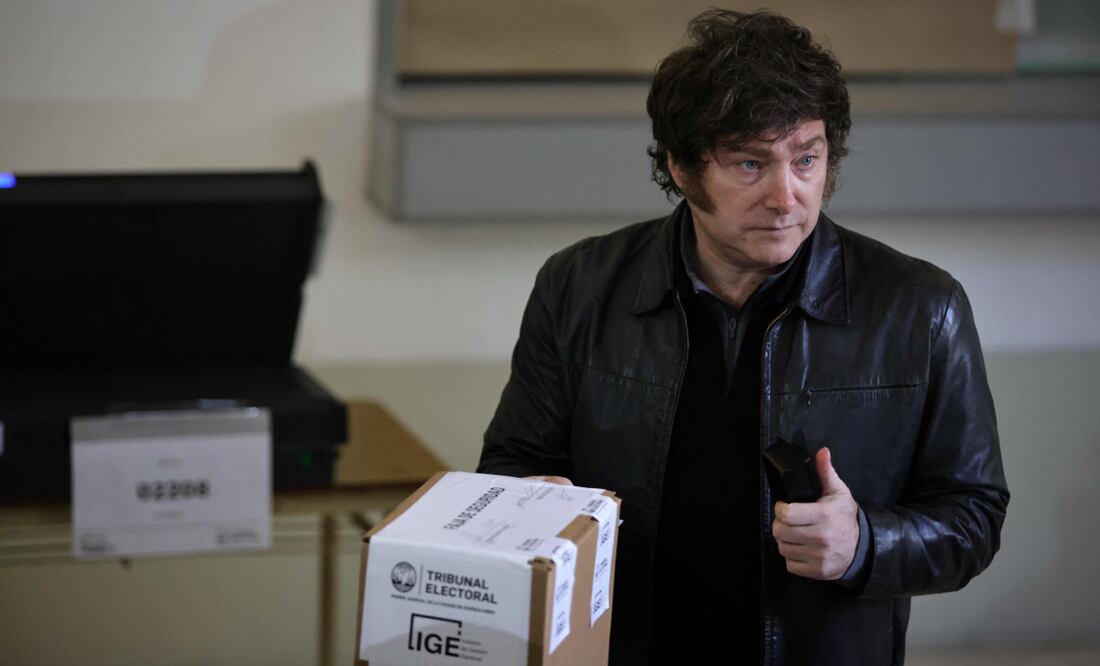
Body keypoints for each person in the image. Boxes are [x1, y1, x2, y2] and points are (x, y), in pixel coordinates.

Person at [478, 9, 1008, 665]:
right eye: (750, 164)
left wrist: (866, 542)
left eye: (806, 159)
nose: (788, 197)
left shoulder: (920, 307)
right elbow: (507, 469)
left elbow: (974, 517)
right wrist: (536, 506)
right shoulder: (579, 287)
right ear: (680, 167)